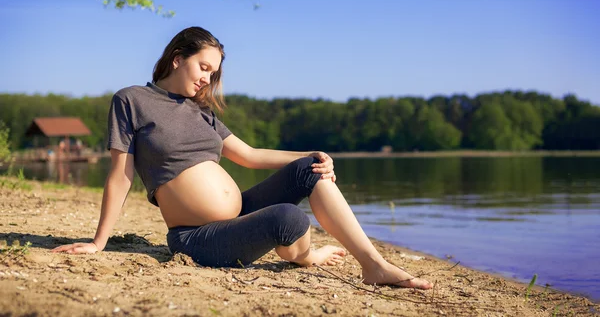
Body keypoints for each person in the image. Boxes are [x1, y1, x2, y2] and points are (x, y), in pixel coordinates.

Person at [52, 27, 432, 289]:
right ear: (177, 58)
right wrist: (99, 242)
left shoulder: (202, 112)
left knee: (309, 168)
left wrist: (312, 154)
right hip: (196, 238)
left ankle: (372, 264)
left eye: (213, 73)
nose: (207, 79)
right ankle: (304, 254)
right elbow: (121, 176)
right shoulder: (131, 100)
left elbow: (248, 155)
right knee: (289, 217)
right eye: (203, 68)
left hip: (239, 217)